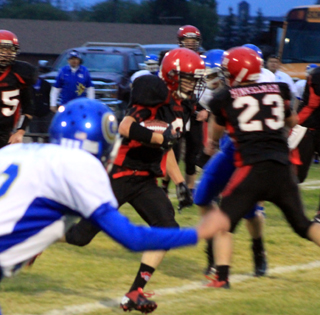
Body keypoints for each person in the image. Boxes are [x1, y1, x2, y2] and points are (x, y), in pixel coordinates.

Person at [0, 97, 222, 314]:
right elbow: (133, 238)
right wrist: (197, 233)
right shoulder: (80, 165)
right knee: (78, 235)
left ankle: (135, 290)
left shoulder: (13, 152)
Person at [61, 48, 205, 313]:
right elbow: (126, 127)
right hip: (119, 173)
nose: (193, 84)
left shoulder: (183, 106)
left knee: (167, 228)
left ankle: (135, 292)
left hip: (144, 178)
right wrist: (161, 139)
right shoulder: (154, 92)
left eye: (195, 79)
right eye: (188, 78)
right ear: (172, 76)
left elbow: (168, 148)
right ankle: (35, 233)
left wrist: (180, 183)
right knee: (81, 237)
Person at [195, 46, 320, 290]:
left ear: (237, 72)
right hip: (281, 167)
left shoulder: (225, 97)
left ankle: (222, 276)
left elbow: (216, 132)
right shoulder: (278, 88)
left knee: (224, 222)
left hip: (251, 168)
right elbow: (292, 121)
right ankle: (231, 262)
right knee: (302, 224)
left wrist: (211, 142)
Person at [196, 47, 271, 282]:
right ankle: (212, 253)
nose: (214, 79)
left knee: (249, 212)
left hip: (248, 154)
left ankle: (258, 248)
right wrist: (210, 145)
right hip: (229, 149)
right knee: (202, 196)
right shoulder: (222, 93)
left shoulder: (258, 89)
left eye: (219, 73)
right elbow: (215, 126)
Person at [162, 25, 209, 195]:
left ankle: (190, 190)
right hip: (175, 107)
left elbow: (205, 91)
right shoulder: (173, 59)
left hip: (193, 109)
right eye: (187, 41)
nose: (190, 44)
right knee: (171, 148)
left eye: (193, 41)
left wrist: (206, 110)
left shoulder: (203, 61)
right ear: (180, 42)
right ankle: (164, 186)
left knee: (193, 152)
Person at [0, 30, 37, 148]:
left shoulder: (20, 74)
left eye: (10, 49)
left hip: (6, 134)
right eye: (3, 48)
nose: (7, 53)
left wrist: (20, 131)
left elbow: (29, 107)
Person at [292, 66, 320, 219]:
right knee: (298, 174)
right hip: (308, 129)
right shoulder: (316, 75)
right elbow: (313, 103)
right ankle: (292, 208)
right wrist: (295, 124)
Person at [28, 62, 53, 142]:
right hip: (33, 115)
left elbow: (50, 98)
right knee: (34, 137)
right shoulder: (27, 86)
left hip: (45, 114)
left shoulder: (46, 85)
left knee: (47, 136)